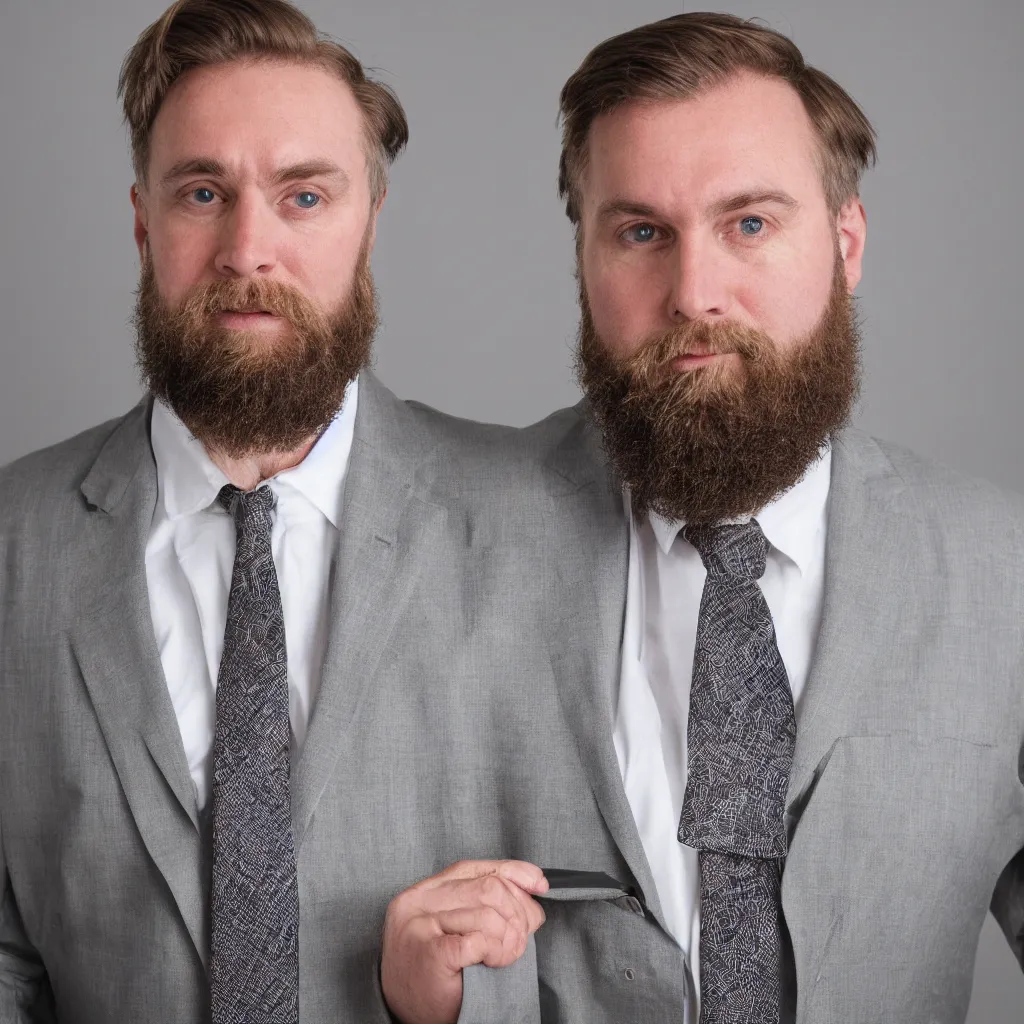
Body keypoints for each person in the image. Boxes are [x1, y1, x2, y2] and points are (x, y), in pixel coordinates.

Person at [0, 2, 687, 1021]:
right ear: (144, 220)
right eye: (202, 192)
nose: (248, 249)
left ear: (370, 217)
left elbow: (629, 950)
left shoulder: (553, 527)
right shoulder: (18, 543)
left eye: (304, 195)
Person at [382, 12, 1024, 1023]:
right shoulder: (428, 539)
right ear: (584, 259)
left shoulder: (1003, 576)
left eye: (751, 224)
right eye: (641, 232)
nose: (694, 293)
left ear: (845, 243)